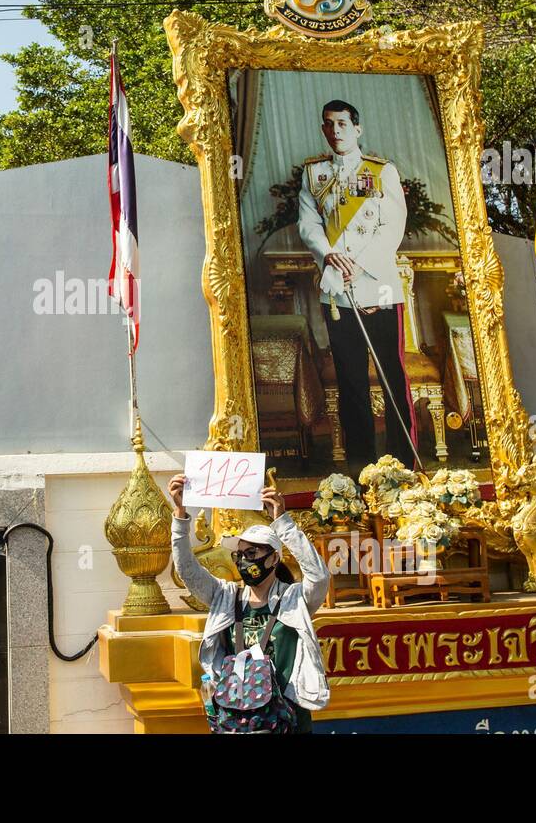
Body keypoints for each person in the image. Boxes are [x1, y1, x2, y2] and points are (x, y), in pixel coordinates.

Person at [298, 99, 416, 469]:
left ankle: (403, 462)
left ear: (357, 129)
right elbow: (308, 225)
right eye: (329, 125)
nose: (336, 131)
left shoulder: (383, 172)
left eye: (343, 124)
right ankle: (363, 465)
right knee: (351, 383)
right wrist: (331, 255)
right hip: (337, 292)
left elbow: (392, 227)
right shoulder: (314, 175)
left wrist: (359, 263)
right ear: (323, 129)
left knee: (391, 376)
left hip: (377, 287)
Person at [168, 474, 329, 733]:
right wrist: (180, 514)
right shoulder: (226, 597)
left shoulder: (293, 599)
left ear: (274, 559)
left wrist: (283, 523)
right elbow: (187, 570)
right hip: (238, 721)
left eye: (252, 553)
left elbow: (319, 576)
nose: (244, 561)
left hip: (288, 720)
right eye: (240, 554)